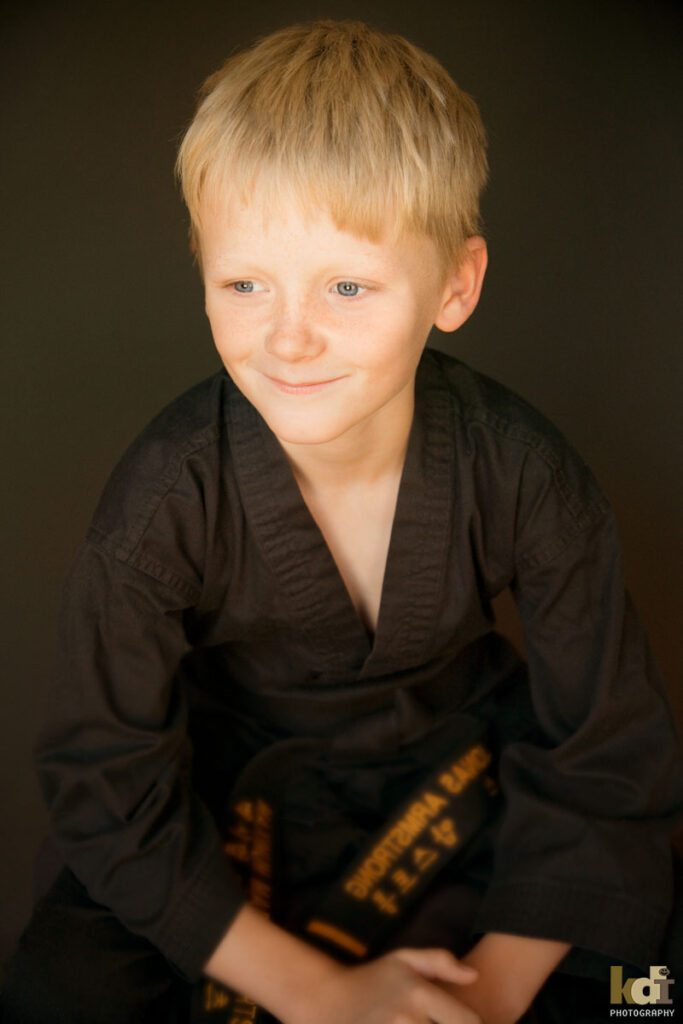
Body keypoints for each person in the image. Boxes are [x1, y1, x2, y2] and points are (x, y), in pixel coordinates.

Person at [2, 19, 682, 1024]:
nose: (287, 337)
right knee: (63, 991)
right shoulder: (161, 501)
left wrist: (490, 990)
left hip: (458, 785)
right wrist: (322, 997)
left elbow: (603, 751)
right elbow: (107, 788)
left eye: (348, 286)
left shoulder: (524, 473)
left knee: (648, 979)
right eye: (243, 285)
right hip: (230, 804)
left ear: (455, 283)